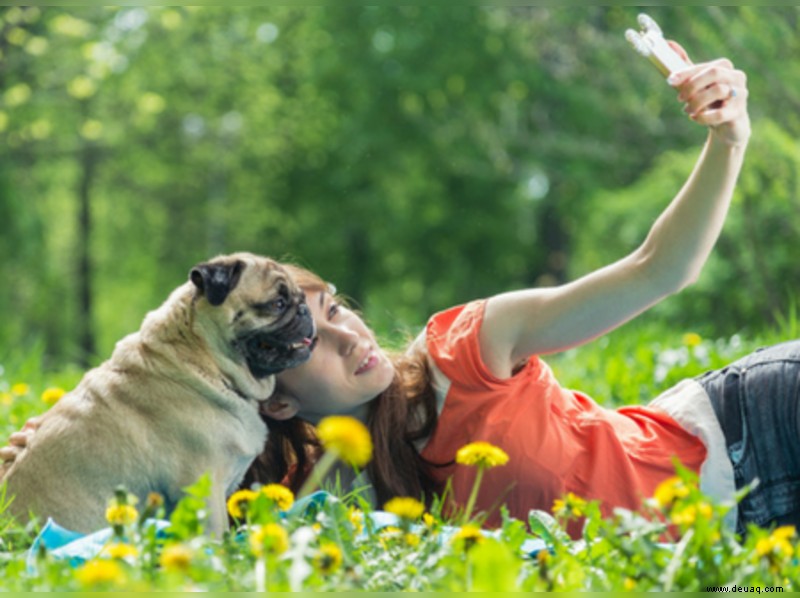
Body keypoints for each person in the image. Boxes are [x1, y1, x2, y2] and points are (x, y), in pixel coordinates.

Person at [4, 45, 794, 538]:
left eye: (337, 307)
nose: (351, 333)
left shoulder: (470, 350)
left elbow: (659, 268)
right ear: (274, 399)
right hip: (737, 545)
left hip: (751, 432)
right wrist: (45, 454)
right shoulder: (308, 483)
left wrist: (731, 140)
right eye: (312, 336)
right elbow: (134, 473)